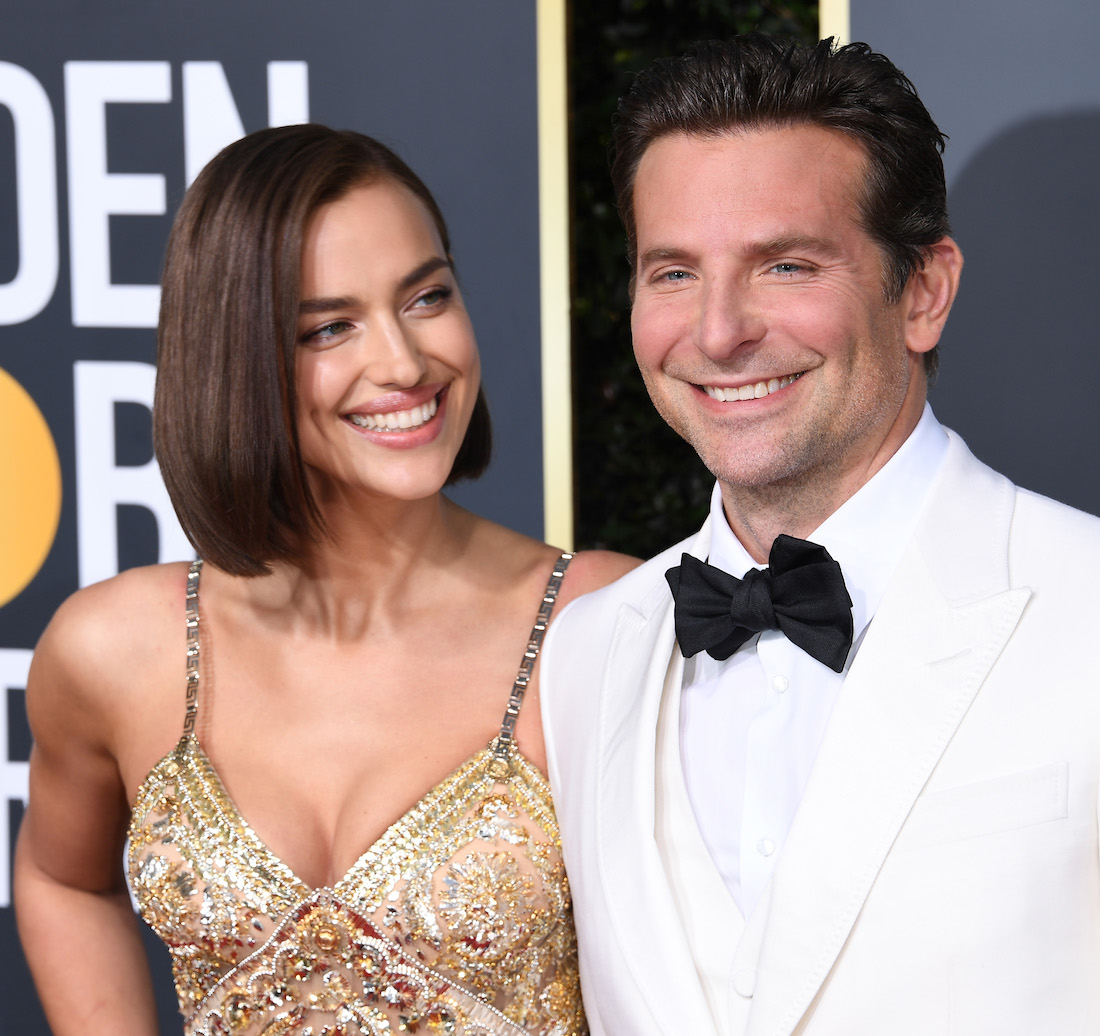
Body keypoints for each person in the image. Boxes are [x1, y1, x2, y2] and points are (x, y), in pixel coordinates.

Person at [14, 124, 635, 1035]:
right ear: (235, 357)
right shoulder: (114, 649)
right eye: (329, 327)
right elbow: (60, 877)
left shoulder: (603, 621)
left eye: (426, 297)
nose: (404, 362)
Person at [540, 34, 1100, 1036]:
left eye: (784, 264)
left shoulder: (1083, 602)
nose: (716, 332)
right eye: (672, 273)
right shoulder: (586, 653)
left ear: (922, 291)